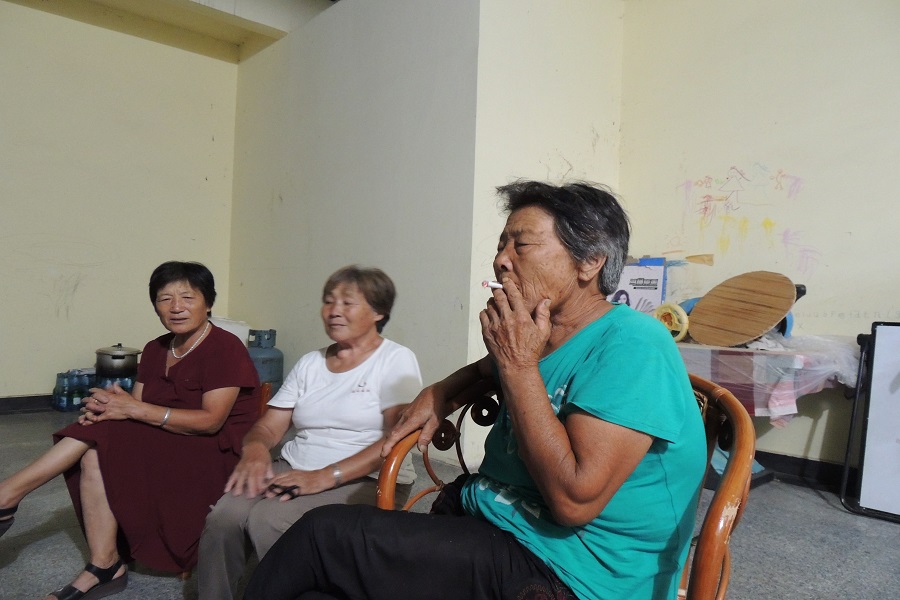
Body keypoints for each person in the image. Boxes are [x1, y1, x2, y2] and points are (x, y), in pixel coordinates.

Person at [244, 181, 709, 600]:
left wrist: (517, 365)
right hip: (492, 527)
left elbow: (574, 501)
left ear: (589, 262)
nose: (501, 259)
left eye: (521, 245)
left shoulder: (633, 344)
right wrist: (442, 391)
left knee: (321, 536)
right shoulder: (543, 333)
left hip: (571, 571)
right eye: (502, 243)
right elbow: (485, 371)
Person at [0, 261, 260, 600]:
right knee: (96, 442)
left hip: (213, 452)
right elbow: (136, 406)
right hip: (168, 440)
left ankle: (7, 495)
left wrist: (130, 410)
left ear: (208, 303)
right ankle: (103, 564)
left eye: (187, 297)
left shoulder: (225, 347)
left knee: (104, 435)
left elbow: (210, 421)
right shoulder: (154, 349)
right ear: (155, 306)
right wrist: (110, 405)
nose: (176, 307)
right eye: (165, 299)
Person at [198, 265, 422, 600]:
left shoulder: (396, 360)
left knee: (269, 519)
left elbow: (395, 439)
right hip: (296, 465)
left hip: (368, 476)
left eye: (347, 303)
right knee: (224, 517)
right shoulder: (310, 363)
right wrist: (255, 451)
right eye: (329, 301)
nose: (334, 311)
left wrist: (324, 477)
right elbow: (269, 425)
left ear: (379, 312)